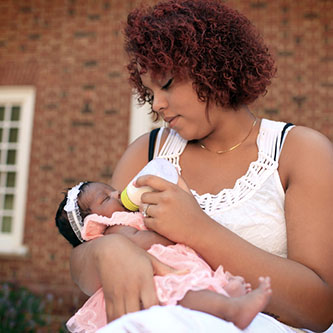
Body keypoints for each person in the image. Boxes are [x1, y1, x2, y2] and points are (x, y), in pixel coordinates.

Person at [69, 0, 333, 332]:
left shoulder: (299, 151)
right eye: (149, 92)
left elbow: (320, 307)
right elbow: (86, 252)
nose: (158, 105)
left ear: (213, 68)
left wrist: (198, 230)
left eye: (166, 85)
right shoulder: (147, 152)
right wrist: (105, 254)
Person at [56, 181, 272, 332]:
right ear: (93, 221)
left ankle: (221, 294)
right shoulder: (114, 229)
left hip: (174, 266)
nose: (116, 194)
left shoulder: (128, 217)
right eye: (106, 198)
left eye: (112, 190)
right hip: (155, 277)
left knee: (190, 289)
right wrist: (174, 231)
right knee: (182, 294)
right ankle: (231, 309)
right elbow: (144, 242)